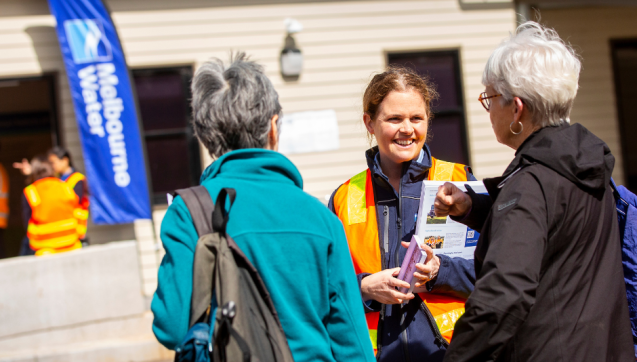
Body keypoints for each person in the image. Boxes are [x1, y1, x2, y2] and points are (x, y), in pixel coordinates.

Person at [151, 53, 375, 362]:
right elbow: (353, 343)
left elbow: (173, 327)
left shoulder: (189, 213)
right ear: (273, 127)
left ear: (205, 136)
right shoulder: (321, 218)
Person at [436, 22, 634, 361]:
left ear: (517, 109)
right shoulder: (584, 166)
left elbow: (502, 295)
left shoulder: (531, 184)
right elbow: (557, 228)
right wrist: (474, 206)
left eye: (489, 99)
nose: (488, 111)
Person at [328, 66, 476, 362]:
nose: (407, 129)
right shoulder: (346, 197)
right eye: (394, 119)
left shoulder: (459, 181)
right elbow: (326, 286)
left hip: (454, 352)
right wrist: (365, 287)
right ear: (369, 123)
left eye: (416, 118)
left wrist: (439, 272)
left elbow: (494, 272)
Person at [14, 147, 89, 241]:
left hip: (75, 229)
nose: (52, 166)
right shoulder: (57, 179)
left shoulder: (76, 179)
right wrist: (33, 172)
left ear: (65, 160)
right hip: (62, 230)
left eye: (53, 162)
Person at [22, 155, 84, 256]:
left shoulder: (31, 191)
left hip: (44, 247)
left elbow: (27, 222)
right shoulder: (65, 186)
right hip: (71, 243)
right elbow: (78, 210)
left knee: (25, 248)